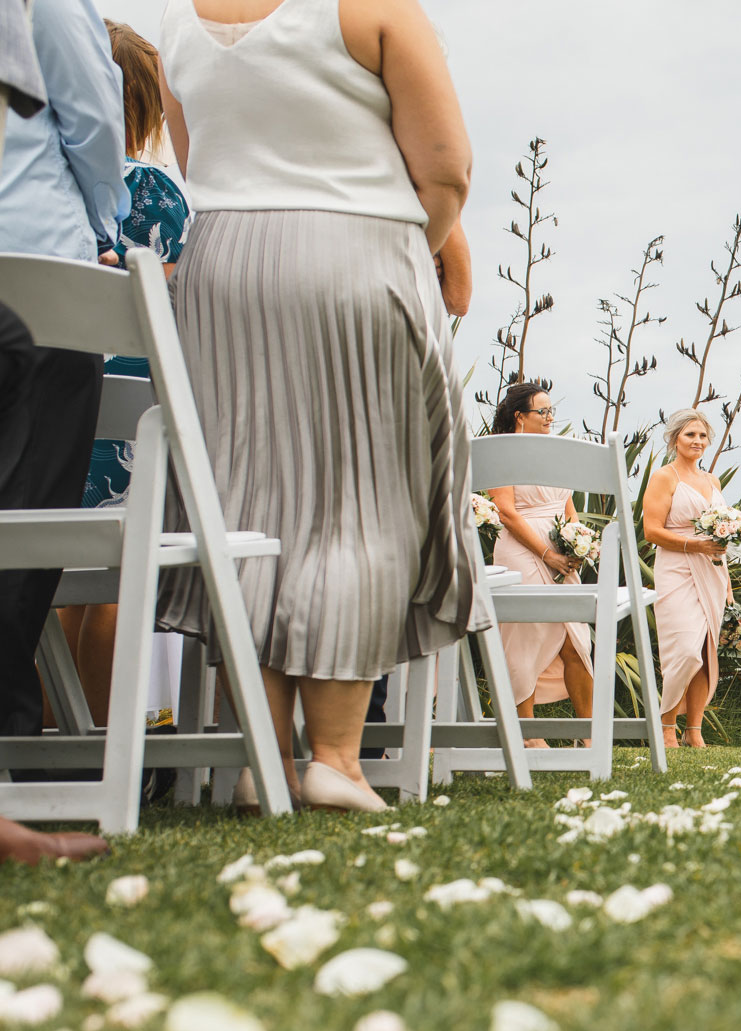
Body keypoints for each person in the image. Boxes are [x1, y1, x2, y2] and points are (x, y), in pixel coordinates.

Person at [156, 0, 480, 813]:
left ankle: (257, 760)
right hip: (356, 249)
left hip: (221, 269)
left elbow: (202, 166)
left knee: (243, 507)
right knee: (358, 505)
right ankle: (335, 756)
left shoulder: (175, 24)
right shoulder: (371, 7)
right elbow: (446, 171)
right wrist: (407, 245)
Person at [60, 20, 193, 731]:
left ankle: (56, 733)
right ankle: (112, 745)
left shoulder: (59, 193)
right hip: (136, 418)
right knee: (116, 582)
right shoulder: (161, 195)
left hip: (65, 405)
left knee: (61, 583)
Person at [0, 0, 124, 749]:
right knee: (30, 511)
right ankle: (9, 728)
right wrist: (102, 221)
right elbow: (91, 115)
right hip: (39, 273)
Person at [487, 382, 594, 747]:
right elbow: (505, 512)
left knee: (575, 641)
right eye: (542, 412)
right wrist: (546, 554)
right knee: (523, 640)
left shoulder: (556, 453)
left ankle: (588, 733)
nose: (550, 418)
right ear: (520, 417)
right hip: (521, 551)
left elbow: (567, 505)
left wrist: (578, 541)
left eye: (552, 412)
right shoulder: (501, 455)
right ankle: (527, 732)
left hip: (563, 555)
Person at [642, 410, 731, 748]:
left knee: (706, 652)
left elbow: (721, 540)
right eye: (690, 435)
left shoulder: (713, 481)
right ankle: (666, 724)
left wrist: (728, 582)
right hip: (676, 568)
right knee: (684, 650)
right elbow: (652, 531)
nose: (697, 441)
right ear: (675, 439)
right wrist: (695, 545)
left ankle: (693, 729)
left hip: (712, 572)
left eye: (702, 436)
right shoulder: (664, 478)